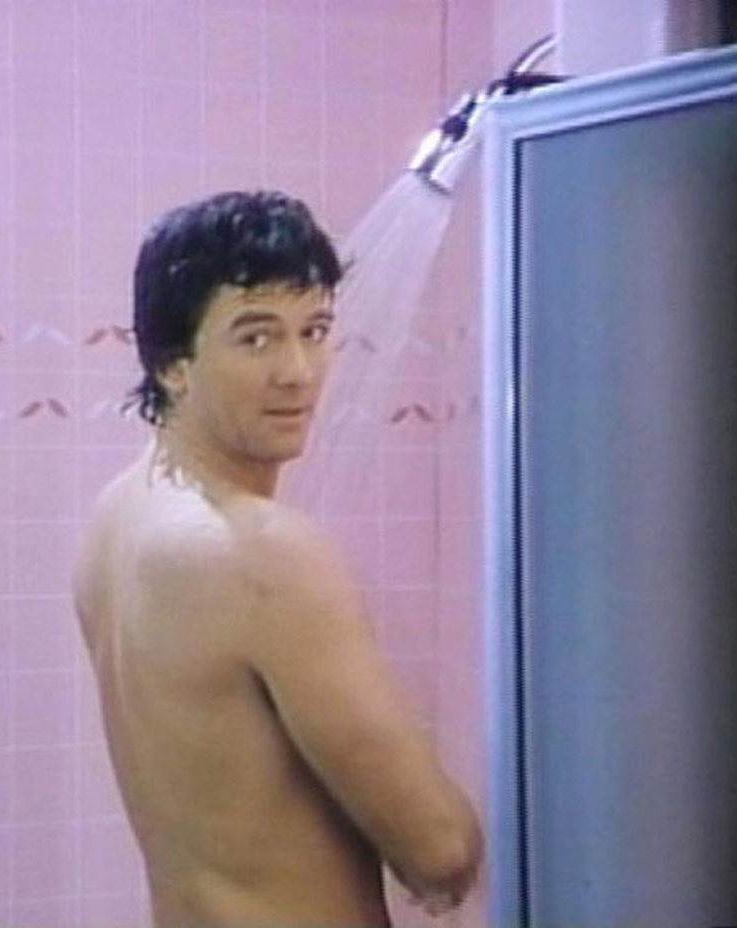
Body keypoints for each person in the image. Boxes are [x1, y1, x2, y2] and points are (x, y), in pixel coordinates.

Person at [72, 190, 483, 927]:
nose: (298, 371)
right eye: (256, 338)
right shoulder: (263, 553)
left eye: (315, 330)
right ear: (172, 363)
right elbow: (439, 851)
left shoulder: (116, 520)